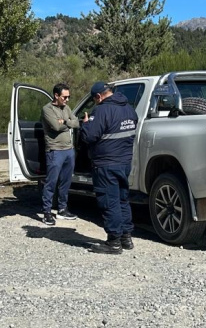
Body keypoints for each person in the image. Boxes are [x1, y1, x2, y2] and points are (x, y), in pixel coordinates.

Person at [80, 82, 138, 255]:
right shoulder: (129, 109)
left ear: (98, 96)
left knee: (109, 202)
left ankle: (113, 242)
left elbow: (89, 136)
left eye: (94, 99)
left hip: (106, 164)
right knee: (122, 199)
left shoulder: (101, 110)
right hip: (124, 162)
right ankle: (126, 238)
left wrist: (85, 124)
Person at [40, 83, 79, 225]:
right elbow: (56, 126)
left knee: (66, 182)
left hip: (68, 150)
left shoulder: (66, 108)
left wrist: (65, 121)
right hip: (55, 150)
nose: (67, 100)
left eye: (68, 97)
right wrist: (68, 123)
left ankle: (62, 209)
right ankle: (46, 212)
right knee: (51, 182)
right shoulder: (47, 109)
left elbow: (76, 123)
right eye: (64, 97)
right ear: (56, 95)